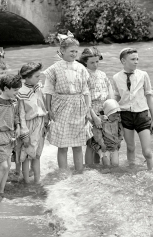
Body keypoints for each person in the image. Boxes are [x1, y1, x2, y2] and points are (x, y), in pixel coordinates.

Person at [44, 37, 91, 172]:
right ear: (62, 51)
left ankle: (79, 171)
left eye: (76, 51)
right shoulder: (54, 69)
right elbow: (48, 90)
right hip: (61, 106)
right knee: (62, 144)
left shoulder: (81, 68)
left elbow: (85, 91)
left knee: (78, 144)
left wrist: (87, 109)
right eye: (71, 51)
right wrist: (49, 109)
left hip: (78, 106)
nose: (74, 54)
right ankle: (63, 172)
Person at [112, 48, 153, 170]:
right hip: (125, 115)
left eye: (137, 59)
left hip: (142, 115)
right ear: (123, 61)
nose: (136, 62)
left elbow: (149, 96)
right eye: (133, 59)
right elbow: (116, 95)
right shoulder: (116, 77)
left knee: (147, 152)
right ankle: (132, 173)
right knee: (130, 148)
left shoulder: (143, 75)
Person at [77, 47, 114, 166]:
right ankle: (89, 168)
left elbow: (109, 89)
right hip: (90, 112)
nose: (95, 64)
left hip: (104, 112)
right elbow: (84, 98)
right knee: (91, 143)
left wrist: (111, 107)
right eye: (92, 62)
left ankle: (97, 165)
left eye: (97, 61)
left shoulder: (102, 74)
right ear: (85, 62)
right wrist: (94, 117)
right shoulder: (83, 75)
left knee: (101, 141)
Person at [17, 62, 48, 184]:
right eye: (36, 76)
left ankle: (37, 181)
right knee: (26, 155)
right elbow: (21, 115)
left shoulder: (38, 88)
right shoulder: (20, 92)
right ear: (27, 77)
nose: (39, 78)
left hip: (40, 123)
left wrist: (46, 123)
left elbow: (43, 106)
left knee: (37, 154)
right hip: (28, 125)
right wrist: (24, 132)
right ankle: (26, 182)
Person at [88, 99, 123, 167]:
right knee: (106, 164)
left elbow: (121, 131)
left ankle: (112, 176)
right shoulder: (100, 122)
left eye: (117, 115)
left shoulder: (118, 121)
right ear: (107, 114)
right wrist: (102, 144)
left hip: (114, 146)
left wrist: (119, 140)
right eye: (113, 116)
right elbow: (97, 135)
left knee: (115, 164)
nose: (116, 117)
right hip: (103, 146)